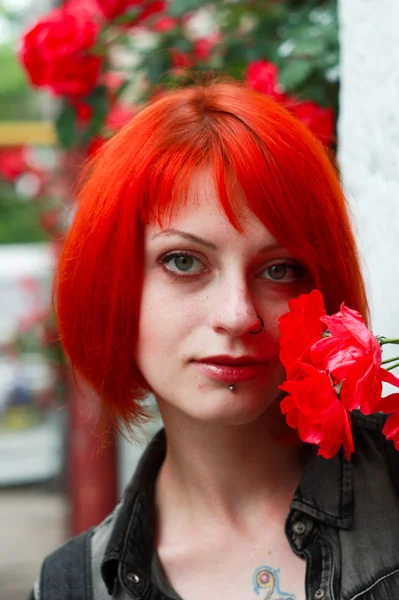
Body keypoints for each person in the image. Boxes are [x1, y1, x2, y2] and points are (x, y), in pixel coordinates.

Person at [29, 80, 399, 600]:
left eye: (279, 268)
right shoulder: (70, 587)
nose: (237, 315)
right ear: (115, 286)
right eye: (184, 261)